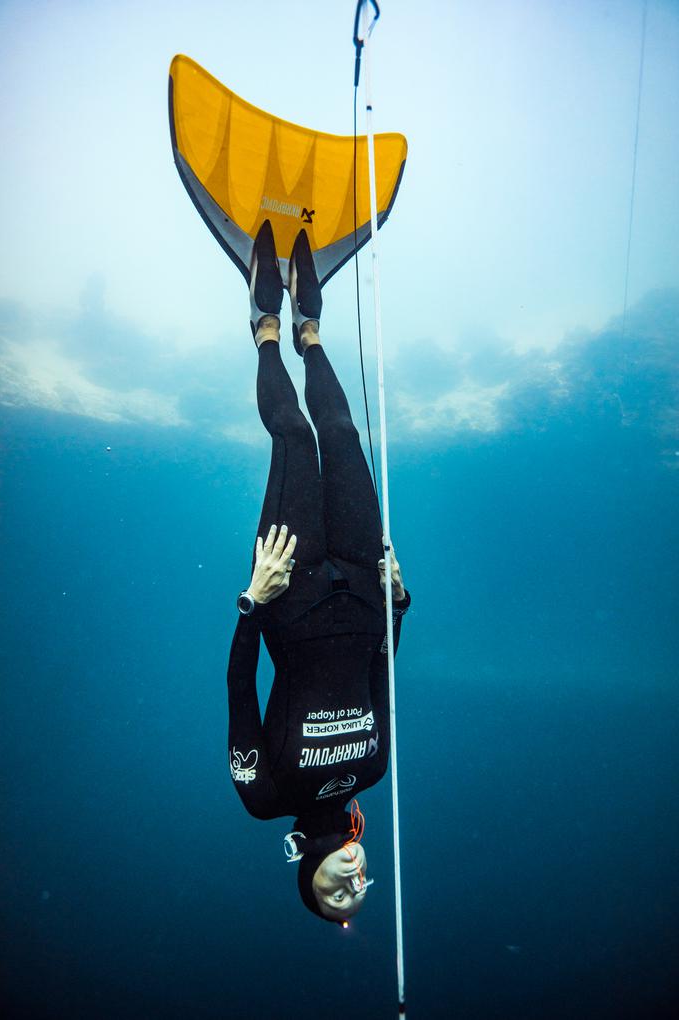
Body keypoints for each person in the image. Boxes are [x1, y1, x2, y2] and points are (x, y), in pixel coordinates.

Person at [227, 220, 411, 923]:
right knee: (342, 434)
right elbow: (381, 676)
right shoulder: (373, 770)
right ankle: (312, 328)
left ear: (307, 873)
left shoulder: (265, 797)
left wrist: (253, 600)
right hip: (363, 590)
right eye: (361, 891)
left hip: (290, 591)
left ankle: (266, 325)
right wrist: (397, 602)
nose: (354, 881)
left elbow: (241, 688)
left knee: (297, 439)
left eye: (335, 892)